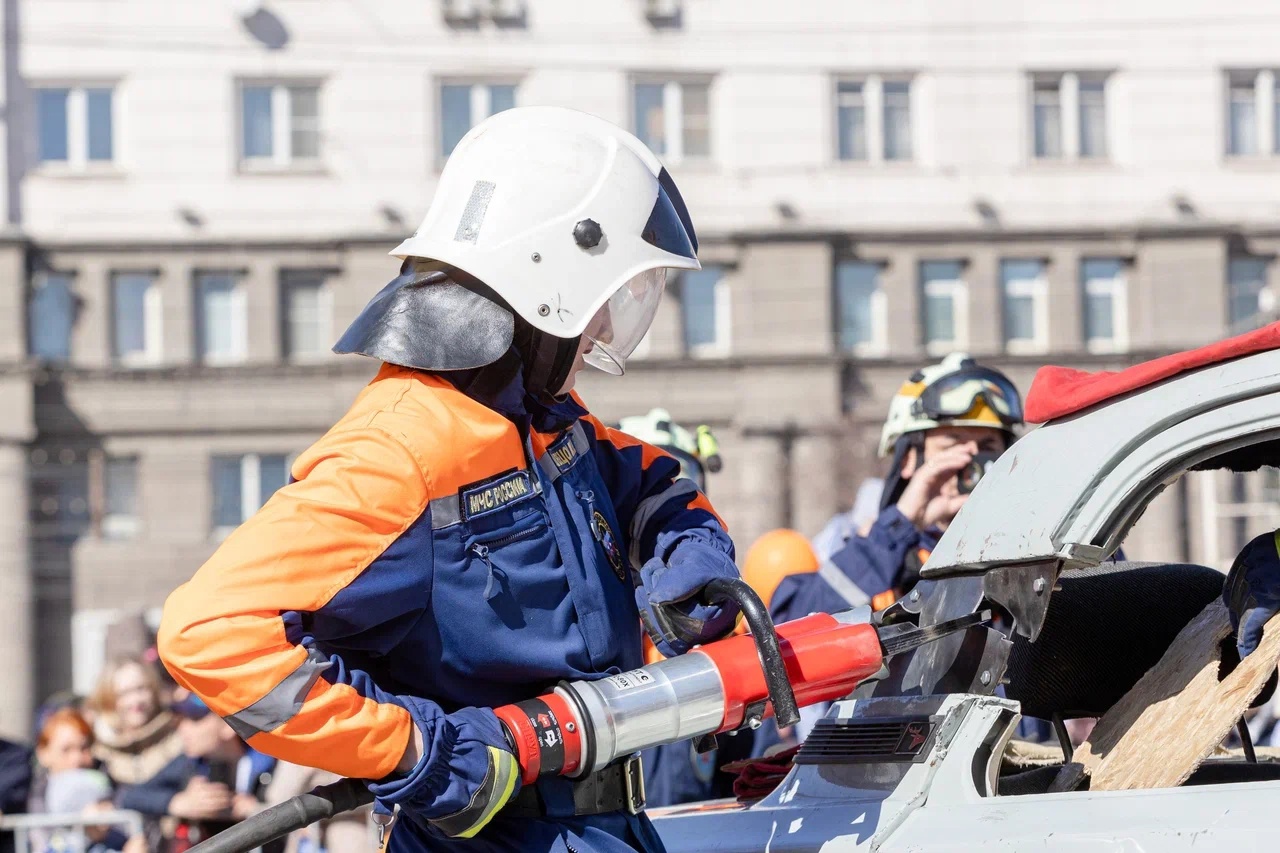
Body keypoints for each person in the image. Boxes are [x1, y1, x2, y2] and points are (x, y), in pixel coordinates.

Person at [159, 106, 741, 853]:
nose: (601, 325)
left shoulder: (540, 421)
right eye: (603, 295)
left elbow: (645, 476)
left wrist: (687, 551)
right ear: (549, 277)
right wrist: (413, 750)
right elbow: (208, 633)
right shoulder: (399, 450)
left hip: (605, 827)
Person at [771, 353, 1023, 622]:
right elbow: (789, 628)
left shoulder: (1024, 549)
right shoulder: (871, 546)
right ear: (908, 459)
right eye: (953, 447)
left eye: (987, 449)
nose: (971, 463)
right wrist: (900, 526)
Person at [117, 694, 268, 853]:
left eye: (195, 719)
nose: (183, 729)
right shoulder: (192, 763)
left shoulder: (271, 760)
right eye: (181, 719)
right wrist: (176, 802)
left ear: (227, 726)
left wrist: (253, 810)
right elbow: (129, 795)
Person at [86, 658, 182, 799]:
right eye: (124, 693)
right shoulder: (96, 751)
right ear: (108, 699)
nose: (136, 701)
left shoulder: (179, 737)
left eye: (141, 689)